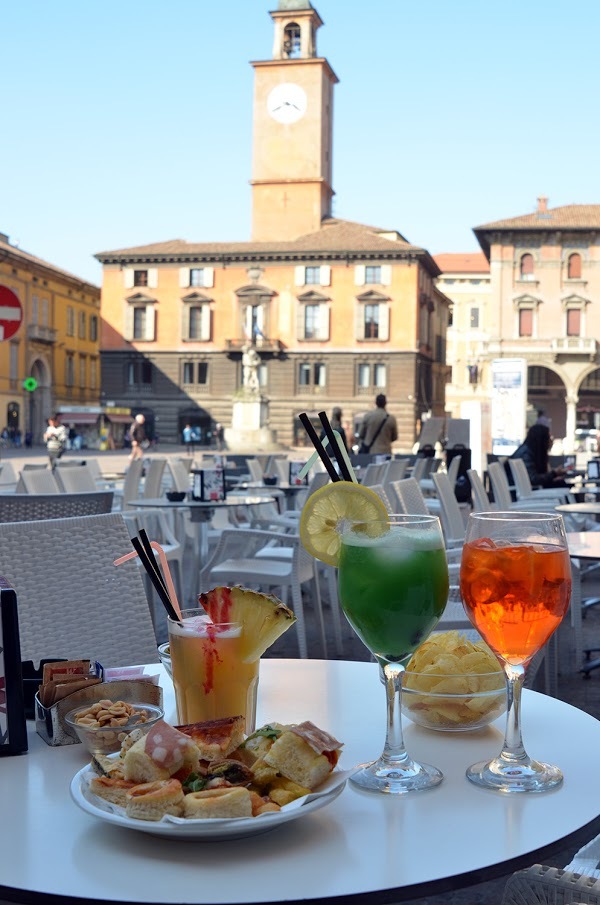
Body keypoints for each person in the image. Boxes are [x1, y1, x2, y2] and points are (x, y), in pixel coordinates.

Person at [510, 423, 567, 488]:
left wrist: (553, 475)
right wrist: (554, 474)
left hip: (528, 490)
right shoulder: (526, 454)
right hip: (529, 491)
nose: (551, 440)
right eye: (548, 437)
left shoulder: (529, 450)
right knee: (562, 484)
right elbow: (533, 479)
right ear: (542, 439)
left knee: (561, 483)